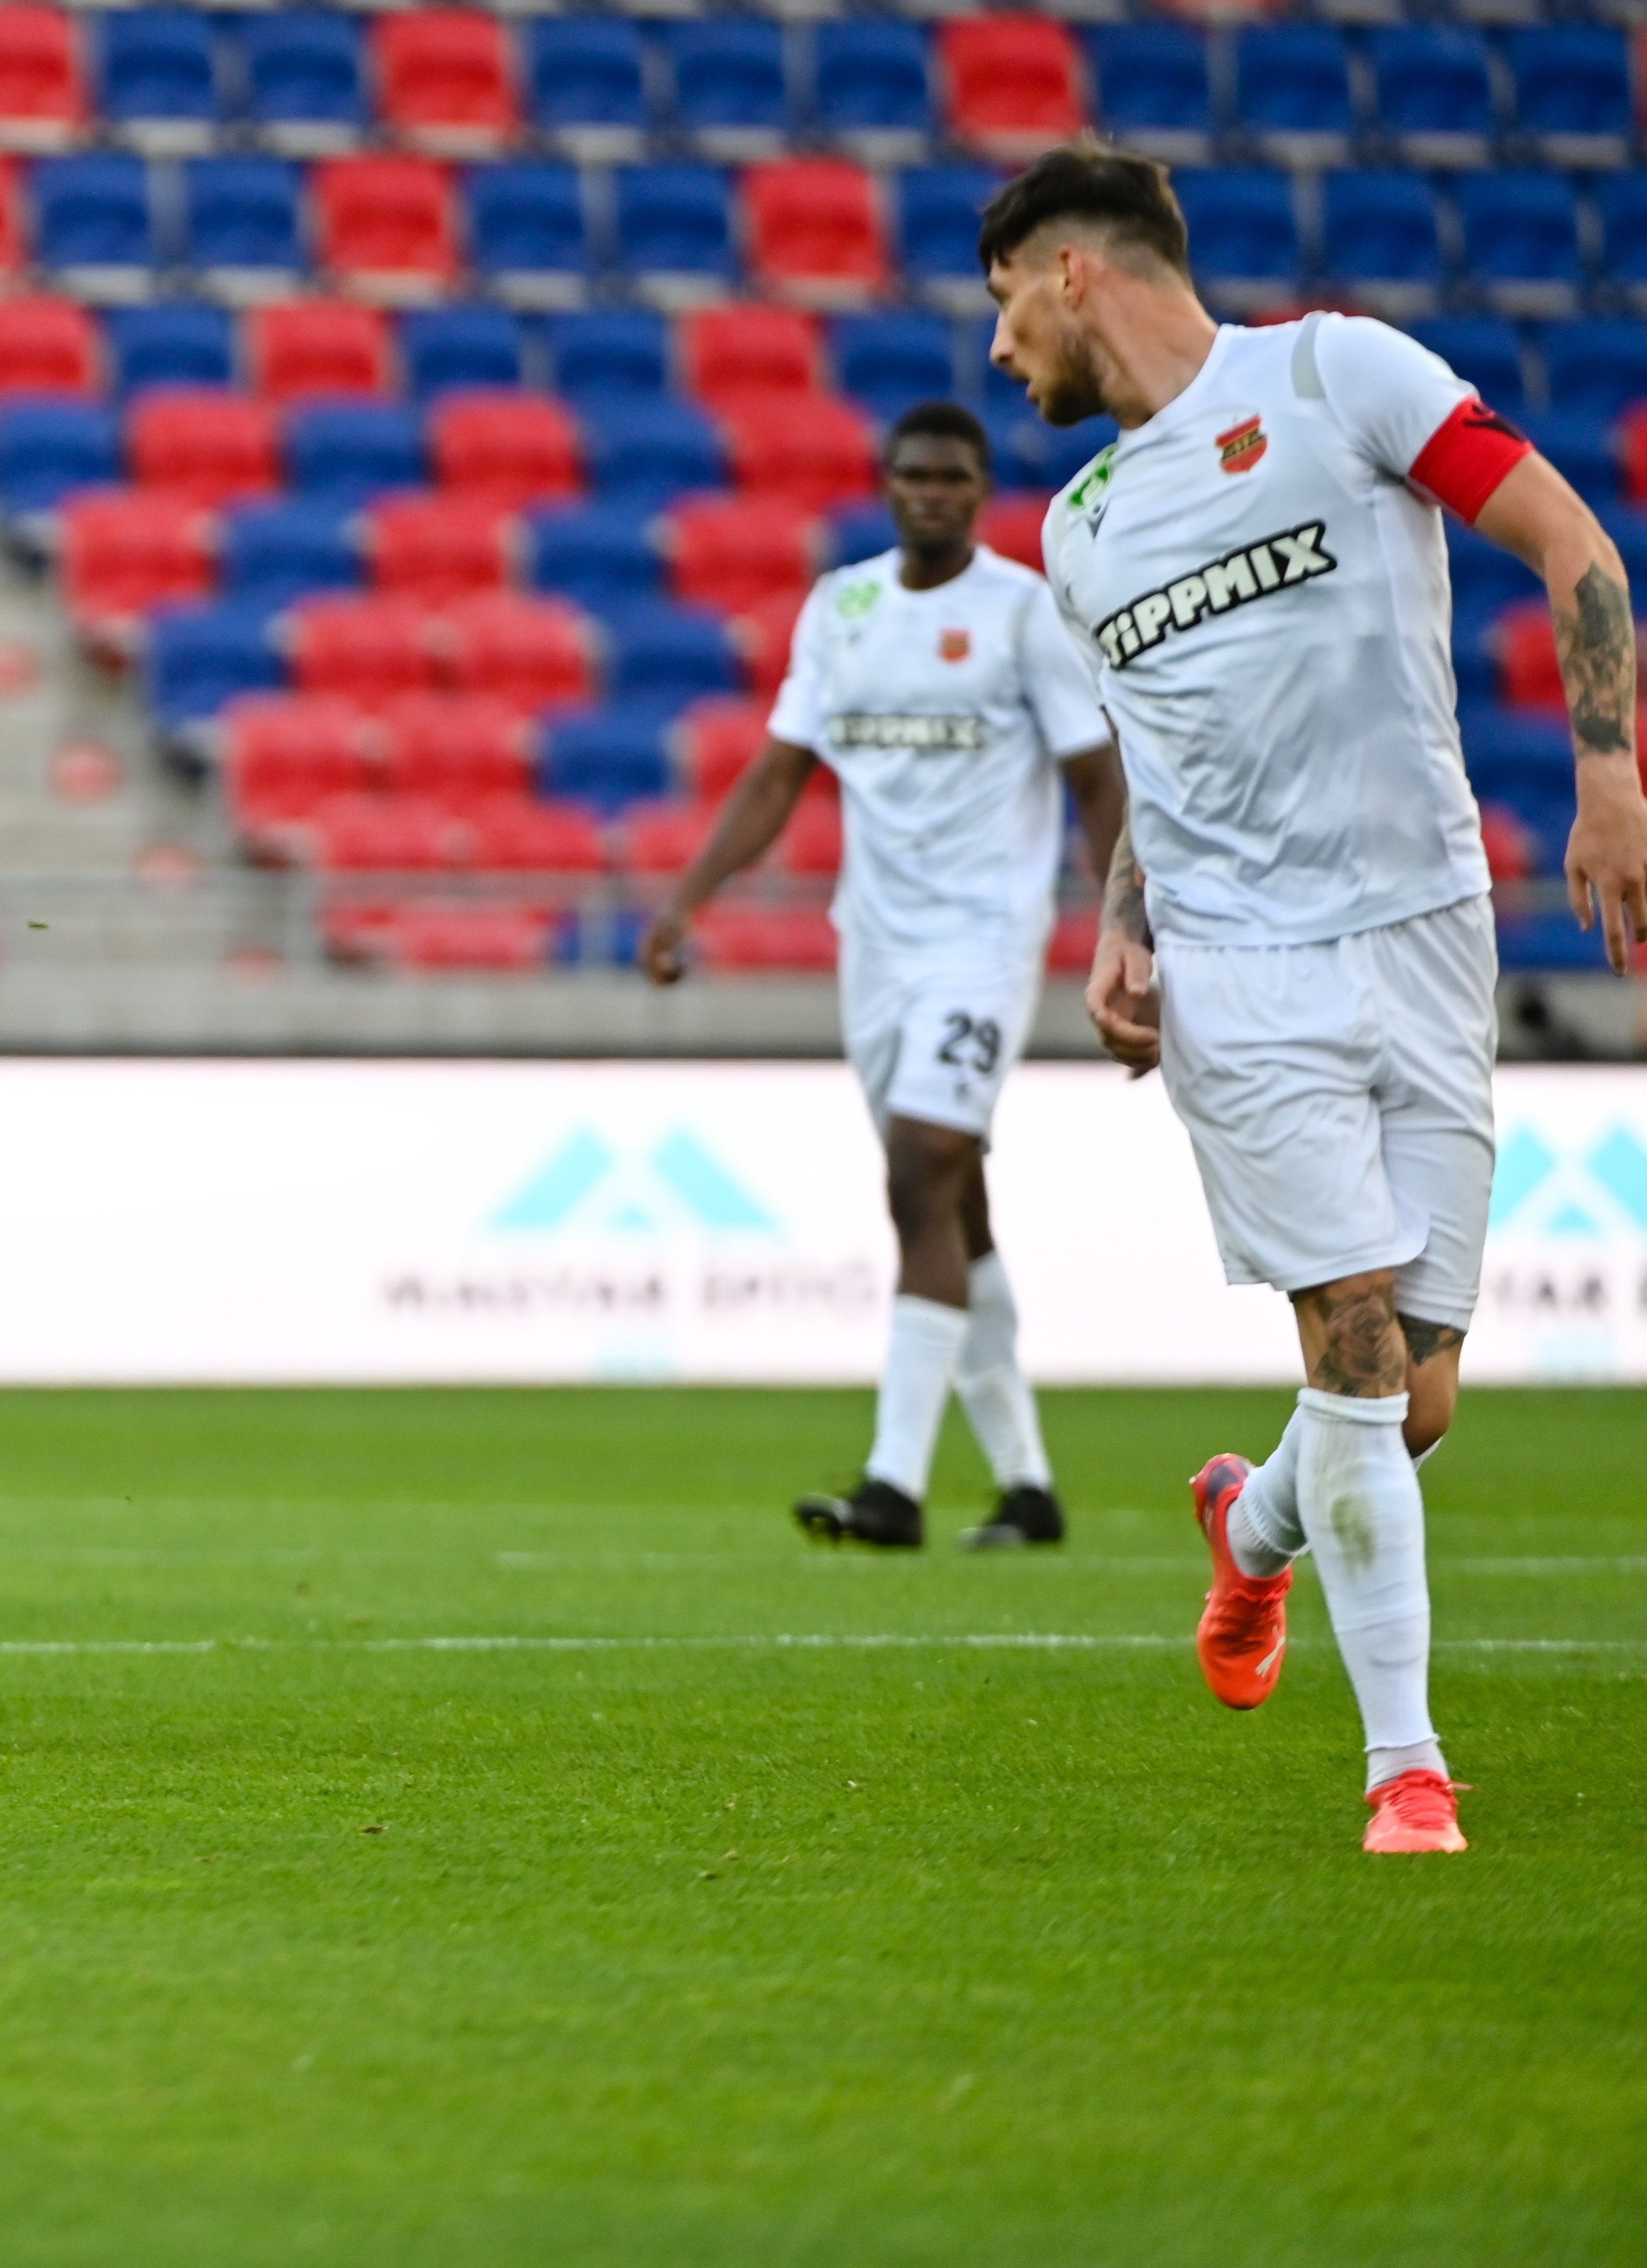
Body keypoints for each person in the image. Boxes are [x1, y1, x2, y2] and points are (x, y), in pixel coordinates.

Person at [983, 147, 1647, 1853]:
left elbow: (1571, 541)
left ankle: (1250, 1528)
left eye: (1001, 301)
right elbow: (1157, 755)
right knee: (1349, 1341)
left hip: (1424, 925)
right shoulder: (1078, 528)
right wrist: (1123, 924)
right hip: (1240, 968)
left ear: (1071, 272)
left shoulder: (1334, 375)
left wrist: (1609, 778)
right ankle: (1404, 1771)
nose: (997, 349)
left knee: (1413, 1400)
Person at [644, 402, 1129, 1552]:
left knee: (918, 1168)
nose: (931, 493)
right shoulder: (842, 607)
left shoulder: (1022, 612)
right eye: (913, 475)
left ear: (980, 489)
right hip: (872, 944)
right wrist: (686, 899)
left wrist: (1129, 927)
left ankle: (892, 1486)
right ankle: (1025, 1485)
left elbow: (1094, 778)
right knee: (949, 1200)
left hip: (981, 942)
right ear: (886, 483)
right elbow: (779, 771)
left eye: (952, 477)